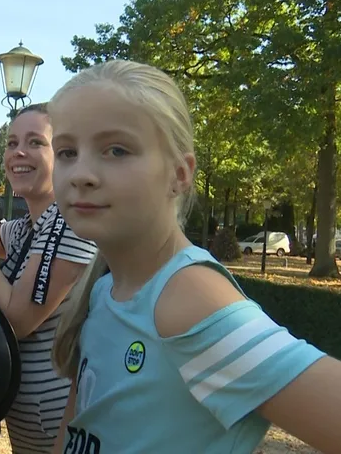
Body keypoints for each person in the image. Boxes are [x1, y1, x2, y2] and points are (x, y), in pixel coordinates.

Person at [49, 60, 339, 454]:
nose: (81, 172)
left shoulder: (186, 299)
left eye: (116, 150)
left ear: (180, 174)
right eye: (66, 152)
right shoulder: (103, 291)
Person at [0, 103, 97, 454]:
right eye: (12, 143)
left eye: (35, 142)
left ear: (64, 156)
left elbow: (17, 318)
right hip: (33, 428)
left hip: (63, 429)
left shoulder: (68, 223)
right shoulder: (30, 227)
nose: (19, 153)